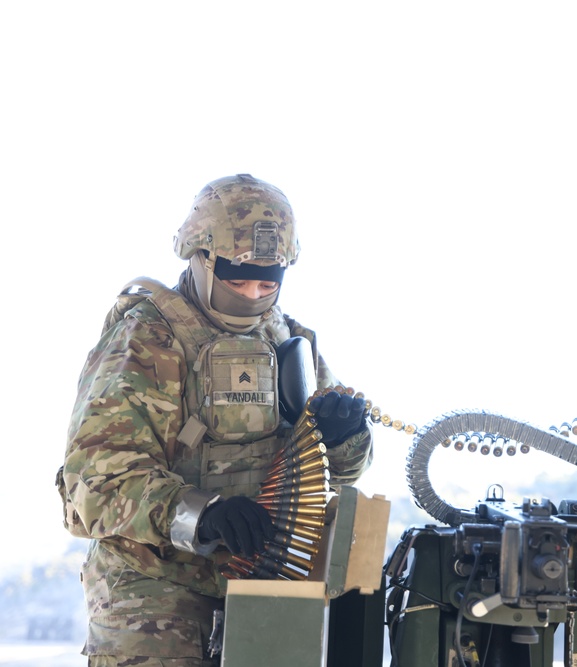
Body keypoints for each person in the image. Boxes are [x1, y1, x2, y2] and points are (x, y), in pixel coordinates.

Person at [58, 174, 374, 666]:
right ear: (200, 258)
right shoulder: (146, 340)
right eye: (236, 276)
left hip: (265, 583)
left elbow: (336, 478)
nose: (251, 293)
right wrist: (201, 514)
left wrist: (345, 438)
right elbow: (96, 482)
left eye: (268, 280)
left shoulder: (289, 343)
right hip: (154, 588)